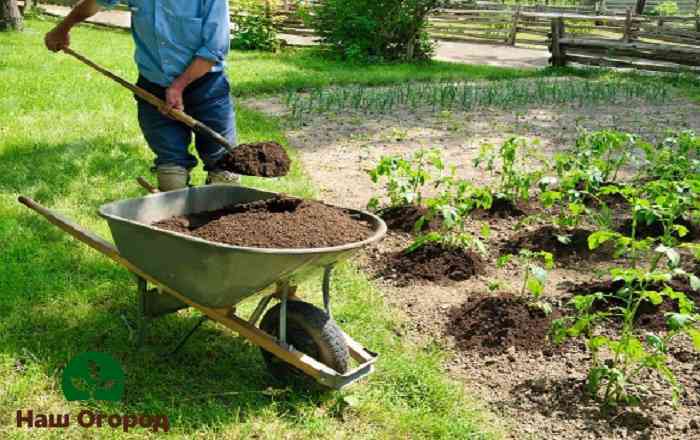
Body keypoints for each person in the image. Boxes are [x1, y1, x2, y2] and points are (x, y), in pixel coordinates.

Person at [45, 0, 238, 191]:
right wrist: (62, 28)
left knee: (224, 173)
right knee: (171, 177)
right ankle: (178, 215)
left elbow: (215, 48)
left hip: (207, 89)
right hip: (153, 88)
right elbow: (94, 3)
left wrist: (179, 86)